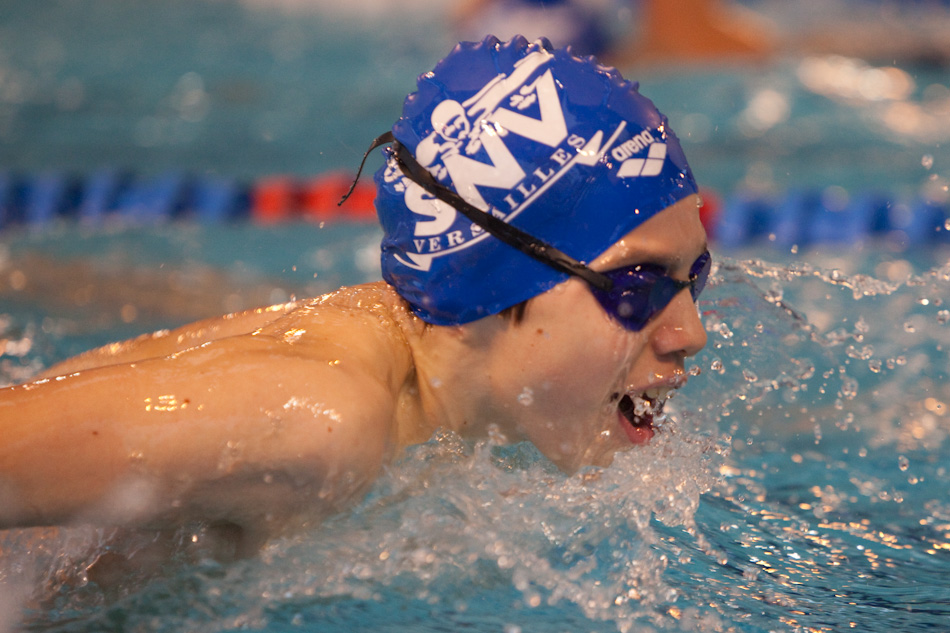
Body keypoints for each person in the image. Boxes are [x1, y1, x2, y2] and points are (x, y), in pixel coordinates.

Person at [0, 36, 709, 552]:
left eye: (693, 277)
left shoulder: (443, 404)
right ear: (488, 285)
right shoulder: (318, 423)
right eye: (637, 286)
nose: (690, 333)